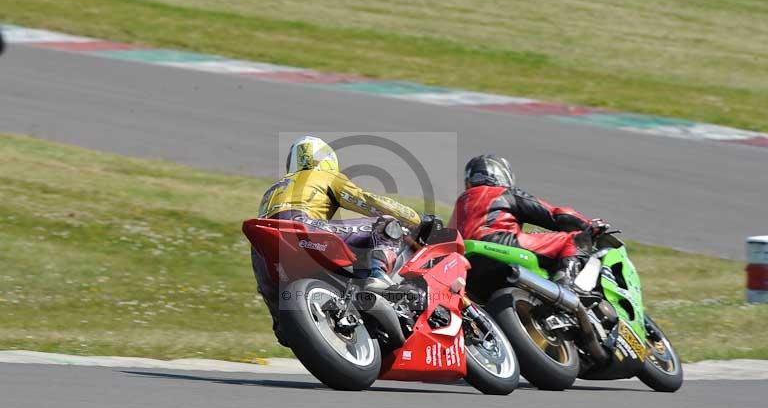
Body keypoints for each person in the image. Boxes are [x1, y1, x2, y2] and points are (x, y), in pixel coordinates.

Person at [252, 135, 421, 343]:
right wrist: (411, 217)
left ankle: (286, 321)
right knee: (385, 223)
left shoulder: (272, 190)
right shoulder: (324, 176)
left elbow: (262, 275)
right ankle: (377, 276)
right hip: (303, 228)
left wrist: (280, 319)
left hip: (269, 250)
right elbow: (367, 202)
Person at [448, 155, 606, 288]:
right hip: (500, 243)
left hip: (463, 264)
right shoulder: (503, 193)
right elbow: (557, 215)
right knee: (575, 239)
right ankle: (568, 287)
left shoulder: (461, 204)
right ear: (502, 175)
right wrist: (588, 225)